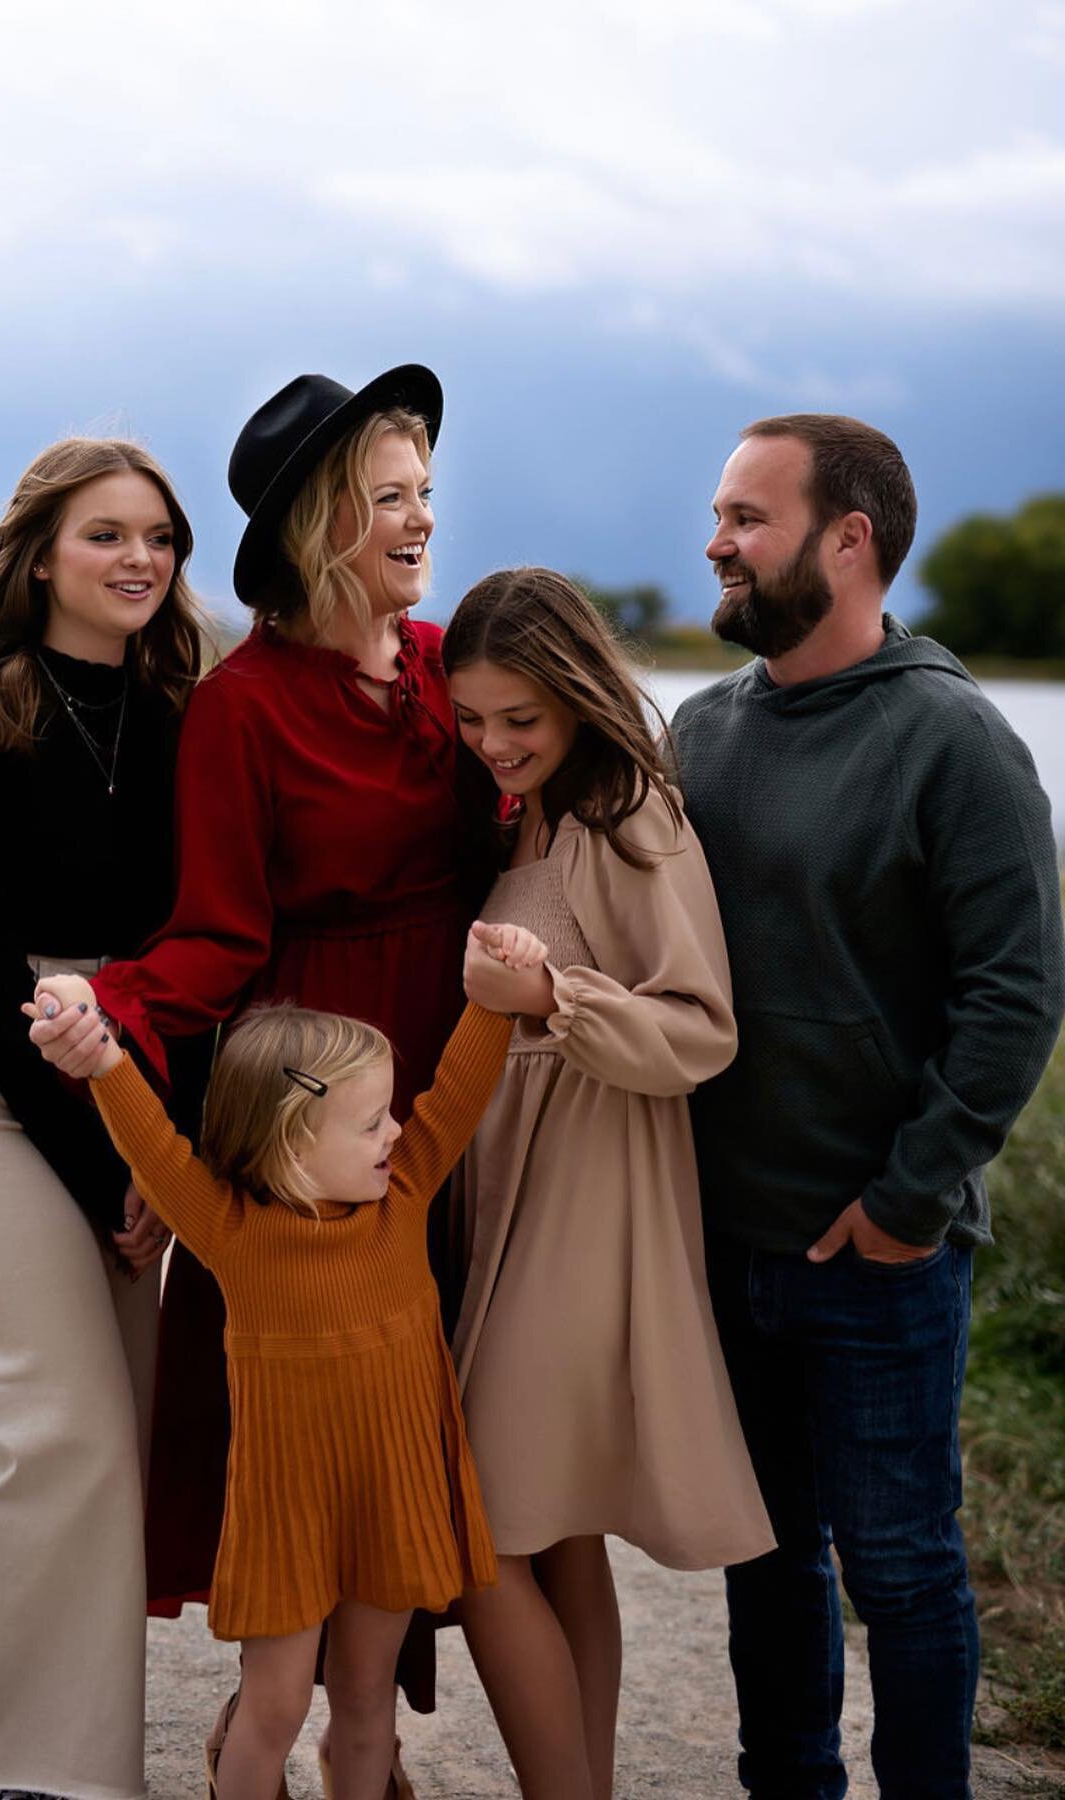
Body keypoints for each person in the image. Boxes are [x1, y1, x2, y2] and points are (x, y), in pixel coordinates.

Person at [31, 366, 469, 1761]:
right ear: (318, 527)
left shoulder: (456, 665)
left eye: (423, 497)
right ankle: (276, 1734)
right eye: (388, 500)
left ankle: (367, 1734)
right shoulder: (243, 707)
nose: (417, 523)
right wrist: (115, 1021)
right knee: (295, 1427)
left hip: (453, 1083)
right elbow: (216, 938)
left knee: (418, 1417)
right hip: (307, 1098)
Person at [672, 413, 1065, 1800]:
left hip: (878, 1257)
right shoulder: (701, 734)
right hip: (728, 1246)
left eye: (747, 518)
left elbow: (1016, 996)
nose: (715, 542)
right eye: (719, 515)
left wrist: (906, 1204)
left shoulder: (952, 740)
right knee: (766, 1558)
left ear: (851, 540)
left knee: (901, 1568)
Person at [24, 922, 548, 1800]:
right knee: (270, 1706)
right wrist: (104, 1062)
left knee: (365, 1693)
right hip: (285, 1518)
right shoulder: (233, 1233)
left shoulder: (406, 1190)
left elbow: (461, 1087)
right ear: (292, 1145)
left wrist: (500, 985)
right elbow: (155, 1144)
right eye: (371, 1121)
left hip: (391, 1498)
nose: (395, 1131)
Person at [0, 438, 207, 1800]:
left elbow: (201, 944)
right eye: (105, 535)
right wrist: (109, 1176)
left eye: (159, 537)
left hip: (133, 1077)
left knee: (111, 1438)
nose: (139, 559)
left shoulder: (192, 716)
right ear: (37, 554)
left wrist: (162, 1150)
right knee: (56, 1428)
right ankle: (16, 1778)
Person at [441, 567, 774, 1800]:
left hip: (593, 1197)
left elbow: (700, 1030)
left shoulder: (635, 813)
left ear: (578, 692)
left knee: (478, 1525)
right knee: (561, 1532)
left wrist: (551, 1000)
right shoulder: (529, 811)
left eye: (518, 718)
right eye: (473, 721)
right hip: (510, 1188)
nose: (494, 744)